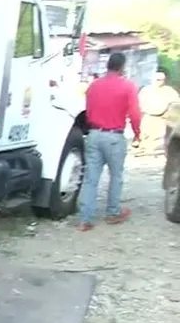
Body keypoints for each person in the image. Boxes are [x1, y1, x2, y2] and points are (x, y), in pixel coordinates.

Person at [77, 52, 141, 231]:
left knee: (91, 178)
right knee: (116, 176)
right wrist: (137, 133)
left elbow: (88, 112)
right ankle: (112, 212)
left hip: (94, 134)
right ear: (122, 67)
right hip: (114, 136)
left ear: (108, 66)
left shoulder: (94, 86)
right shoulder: (128, 86)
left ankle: (85, 219)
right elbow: (135, 113)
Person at [138, 69, 180, 155]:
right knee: (147, 138)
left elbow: (176, 103)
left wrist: (169, 112)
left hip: (164, 118)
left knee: (165, 139)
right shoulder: (146, 90)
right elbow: (139, 103)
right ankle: (147, 151)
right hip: (149, 117)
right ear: (153, 79)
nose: (160, 82)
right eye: (158, 80)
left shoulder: (169, 90)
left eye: (162, 80)